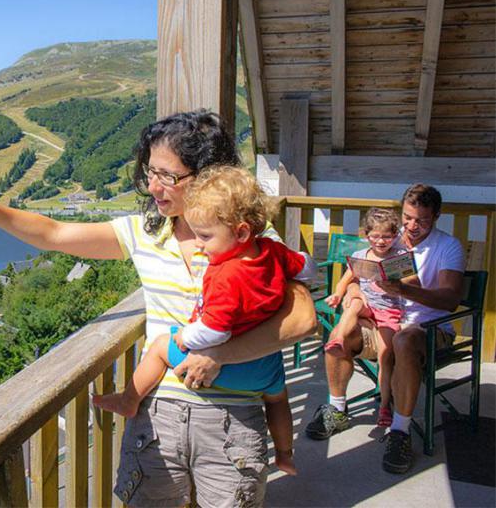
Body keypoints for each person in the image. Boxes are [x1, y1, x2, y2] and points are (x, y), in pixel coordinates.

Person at [0, 110, 317, 507]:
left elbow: (302, 319)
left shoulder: (250, 238)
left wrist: (216, 355)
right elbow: (54, 234)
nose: (153, 186)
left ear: (206, 174)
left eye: (168, 176)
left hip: (234, 416)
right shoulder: (145, 234)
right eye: (150, 173)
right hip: (158, 412)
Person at [92, 165, 315, 476]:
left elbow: (216, 329)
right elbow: (306, 267)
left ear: (240, 232)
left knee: (159, 345)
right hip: (265, 367)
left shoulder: (226, 274)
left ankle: (129, 399)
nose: (199, 244)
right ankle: (284, 453)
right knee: (278, 401)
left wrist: (184, 337)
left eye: (206, 237)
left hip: (228, 370)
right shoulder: (271, 250)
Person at [305, 184, 464, 475]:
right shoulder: (388, 237)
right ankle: (337, 409)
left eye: (422, 220)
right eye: (407, 217)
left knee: (404, 339)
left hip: (428, 327)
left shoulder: (447, 247)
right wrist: (353, 295)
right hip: (380, 321)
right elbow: (357, 275)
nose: (412, 226)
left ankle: (399, 431)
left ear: (437, 217)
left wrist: (405, 290)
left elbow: (451, 300)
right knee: (342, 333)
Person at [322, 208, 412, 427]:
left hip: (389, 312)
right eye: (375, 236)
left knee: (385, 357)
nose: (380, 241)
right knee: (354, 303)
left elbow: (412, 281)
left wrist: (398, 287)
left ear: (395, 236)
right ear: (366, 235)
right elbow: (346, 279)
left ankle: (383, 406)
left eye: (387, 236)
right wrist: (337, 294)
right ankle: (338, 339)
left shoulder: (399, 257)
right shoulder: (361, 256)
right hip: (367, 306)